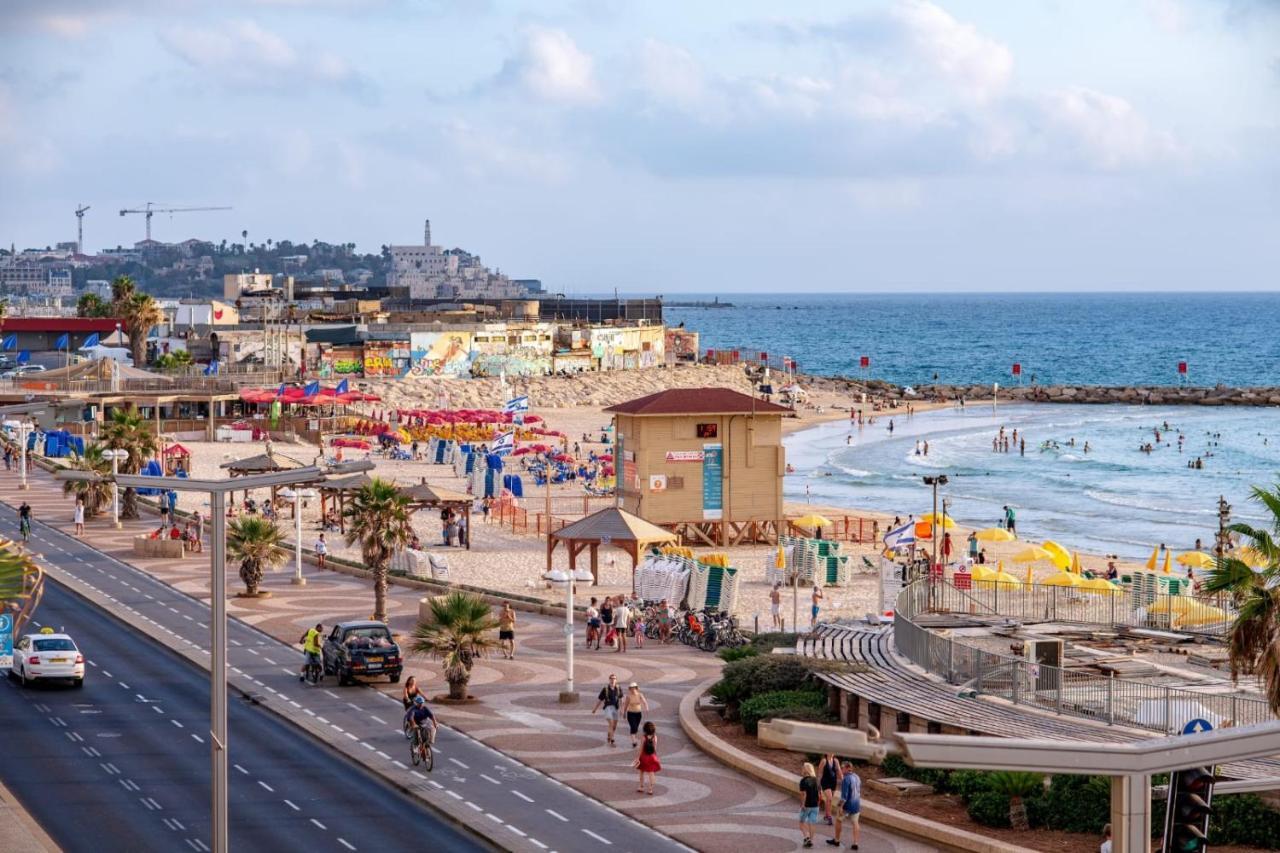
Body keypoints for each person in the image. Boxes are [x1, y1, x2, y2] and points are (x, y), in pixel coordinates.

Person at [831, 760, 861, 849]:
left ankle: (836, 840)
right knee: (855, 823)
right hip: (856, 804)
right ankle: (855, 843)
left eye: (842, 767)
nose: (841, 769)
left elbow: (844, 796)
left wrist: (840, 806)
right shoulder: (857, 777)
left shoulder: (846, 779)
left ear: (848, 768)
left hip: (847, 805)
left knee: (838, 820)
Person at [592, 674, 623, 747]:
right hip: (607, 708)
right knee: (611, 723)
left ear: (616, 680)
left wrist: (622, 709)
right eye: (611, 678)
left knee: (614, 726)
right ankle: (612, 739)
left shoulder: (618, 688)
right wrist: (595, 709)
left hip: (615, 708)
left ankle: (610, 735)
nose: (613, 680)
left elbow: (621, 699)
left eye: (614, 678)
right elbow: (600, 700)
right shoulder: (605, 689)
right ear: (609, 680)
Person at [635, 720, 661, 795]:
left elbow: (641, 748)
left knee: (641, 772)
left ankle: (641, 786)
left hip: (644, 756)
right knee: (651, 773)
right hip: (652, 757)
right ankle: (650, 789)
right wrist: (655, 756)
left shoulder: (644, 737)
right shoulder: (655, 737)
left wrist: (638, 757)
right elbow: (655, 748)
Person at [799, 762, 821, 848]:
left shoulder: (803, 781)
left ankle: (806, 837)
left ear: (805, 770)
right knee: (812, 823)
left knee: (801, 822)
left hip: (807, 805)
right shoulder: (817, 780)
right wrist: (818, 803)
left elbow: (804, 794)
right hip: (815, 806)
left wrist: (803, 804)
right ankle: (810, 841)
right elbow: (820, 794)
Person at [818, 752, 842, 825]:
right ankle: (829, 816)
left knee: (830, 800)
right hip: (825, 782)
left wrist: (843, 780)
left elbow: (839, 771)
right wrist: (818, 784)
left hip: (833, 782)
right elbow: (820, 773)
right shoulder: (824, 761)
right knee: (829, 798)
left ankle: (826, 815)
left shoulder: (836, 761)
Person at [623, 682, 650, 747]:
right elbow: (626, 705)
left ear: (636, 688)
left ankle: (634, 735)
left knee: (636, 728)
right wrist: (624, 713)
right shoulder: (628, 696)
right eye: (631, 688)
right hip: (630, 713)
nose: (632, 689)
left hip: (638, 713)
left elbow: (644, 701)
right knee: (633, 727)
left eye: (633, 688)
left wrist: (646, 708)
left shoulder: (640, 695)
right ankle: (634, 742)